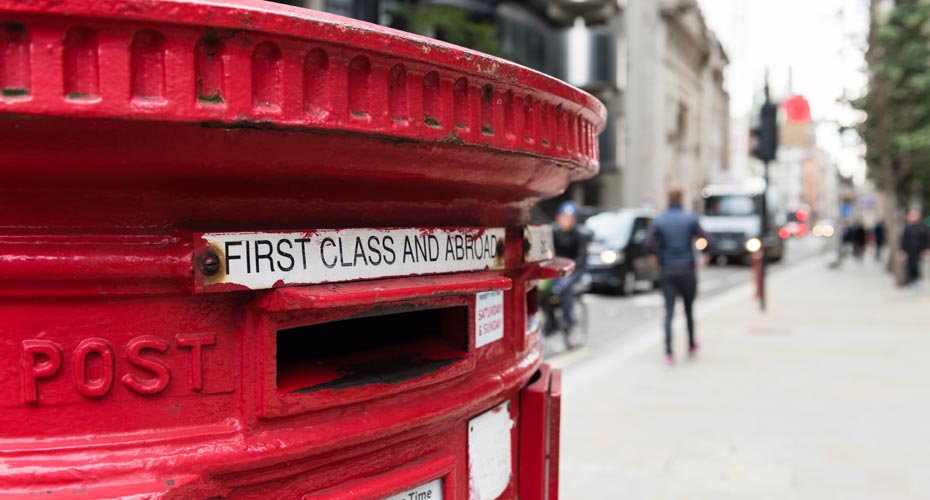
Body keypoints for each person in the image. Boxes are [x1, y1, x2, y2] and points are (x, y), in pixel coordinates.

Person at [646, 186, 711, 365]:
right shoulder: (690, 218)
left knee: (669, 312)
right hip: (687, 270)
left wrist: (656, 262)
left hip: (667, 270)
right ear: (682, 199)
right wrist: (704, 258)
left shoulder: (660, 220)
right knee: (689, 310)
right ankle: (690, 345)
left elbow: (648, 244)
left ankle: (668, 352)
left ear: (667, 198)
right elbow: (708, 240)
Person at [551, 201, 587, 336]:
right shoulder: (553, 232)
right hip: (556, 270)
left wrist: (569, 268)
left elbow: (581, 258)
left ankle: (568, 320)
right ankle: (551, 321)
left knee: (565, 288)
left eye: (570, 219)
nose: (566, 221)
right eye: (564, 217)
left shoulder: (579, 235)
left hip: (574, 270)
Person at [899, 209, 929, 288]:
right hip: (909, 250)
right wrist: (902, 250)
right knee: (909, 266)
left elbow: (926, 238)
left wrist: (926, 249)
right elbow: (903, 239)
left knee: (917, 266)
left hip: (919, 250)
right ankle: (910, 281)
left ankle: (917, 280)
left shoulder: (923, 226)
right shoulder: (907, 227)